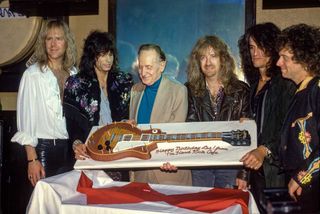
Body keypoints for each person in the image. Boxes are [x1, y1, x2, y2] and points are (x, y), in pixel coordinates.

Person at [11, 19, 77, 187]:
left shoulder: (74, 74)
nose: (53, 44)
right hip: (43, 151)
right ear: (43, 43)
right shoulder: (32, 75)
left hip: (70, 151)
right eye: (49, 39)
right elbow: (25, 121)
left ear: (67, 42)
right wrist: (32, 159)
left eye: (59, 38)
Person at [238, 23, 296, 207]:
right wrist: (244, 173)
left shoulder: (285, 83)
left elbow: (288, 130)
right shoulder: (254, 85)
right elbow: (255, 133)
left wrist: (264, 150)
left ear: (272, 48)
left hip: (277, 172)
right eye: (252, 47)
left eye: (260, 47)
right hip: (255, 170)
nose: (255, 53)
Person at [63, 31, 133, 181]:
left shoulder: (123, 81)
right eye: (102, 54)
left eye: (110, 54)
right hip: (89, 154)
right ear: (92, 56)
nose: (108, 59)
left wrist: (128, 123)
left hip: (119, 152)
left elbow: (130, 117)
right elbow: (72, 123)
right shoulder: (76, 83)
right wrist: (77, 143)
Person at [185, 35, 250, 189]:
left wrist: (244, 173)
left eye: (213, 56)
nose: (208, 62)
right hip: (200, 165)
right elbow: (187, 126)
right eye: (203, 57)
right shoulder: (189, 90)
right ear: (197, 62)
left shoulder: (241, 90)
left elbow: (249, 135)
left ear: (223, 59)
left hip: (231, 164)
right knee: (201, 208)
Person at [129, 44, 192, 185]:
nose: (143, 72)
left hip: (168, 173)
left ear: (162, 66)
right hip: (141, 174)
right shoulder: (135, 90)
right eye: (140, 67)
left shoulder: (178, 91)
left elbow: (175, 136)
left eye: (149, 67)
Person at [276, 23, 320, 213]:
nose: (278, 63)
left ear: (304, 60)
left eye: (284, 57)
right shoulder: (300, 92)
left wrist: (302, 177)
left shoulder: (316, 90)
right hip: (302, 186)